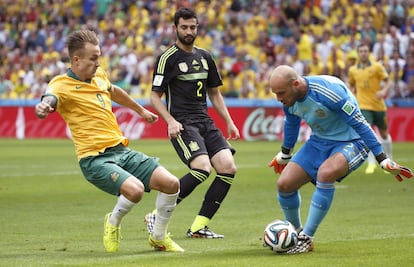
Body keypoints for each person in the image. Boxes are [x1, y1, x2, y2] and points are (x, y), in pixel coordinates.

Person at [34, 29, 184, 253]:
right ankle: (112, 222)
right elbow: (49, 99)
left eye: (99, 57)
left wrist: (141, 110)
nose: (98, 63)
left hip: (120, 151)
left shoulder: (99, 76)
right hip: (94, 159)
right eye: (93, 58)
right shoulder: (60, 84)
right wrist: (42, 107)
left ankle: (159, 237)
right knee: (135, 191)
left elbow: (114, 91)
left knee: (172, 184)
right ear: (76, 60)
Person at [267, 65, 412, 254]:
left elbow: (361, 123)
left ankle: (307, 237)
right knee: (284, 184)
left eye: (281, 93)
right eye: (276, 94)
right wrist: (285, 154)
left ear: (295, 84)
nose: (279, 98)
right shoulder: (289, 100)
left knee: (325, 174)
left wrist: (382, 159)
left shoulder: (329, 92)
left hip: (353, 141)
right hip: (320, 141)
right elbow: (292, 125)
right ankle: (296, 233)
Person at [145, 7, 240, 239]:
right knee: (202, 169)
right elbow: (154, 96)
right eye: (184, 27)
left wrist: (229, 122)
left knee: (228, 168)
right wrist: (170, 121)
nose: (189, 31)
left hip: (205, 121)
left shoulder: (205, 57)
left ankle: (199, 226)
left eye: (193, 27)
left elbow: (215, 94)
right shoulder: (167, 58)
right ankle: (156, 215)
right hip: (183, 123)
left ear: (197, 27)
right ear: (175, 28)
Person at [348, 43, 393, 174]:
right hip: (363, 106)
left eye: (365, 51)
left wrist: (383, 91)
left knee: (384, 134)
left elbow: (388, 80)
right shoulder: (353, 70)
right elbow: (351, 85)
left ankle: (389, 159)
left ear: (369, 52)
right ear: (358, 53)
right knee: (368, 134)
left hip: (378, 106)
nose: (363, 53)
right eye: (361, 51)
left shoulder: (377, 66)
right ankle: (372, 163)